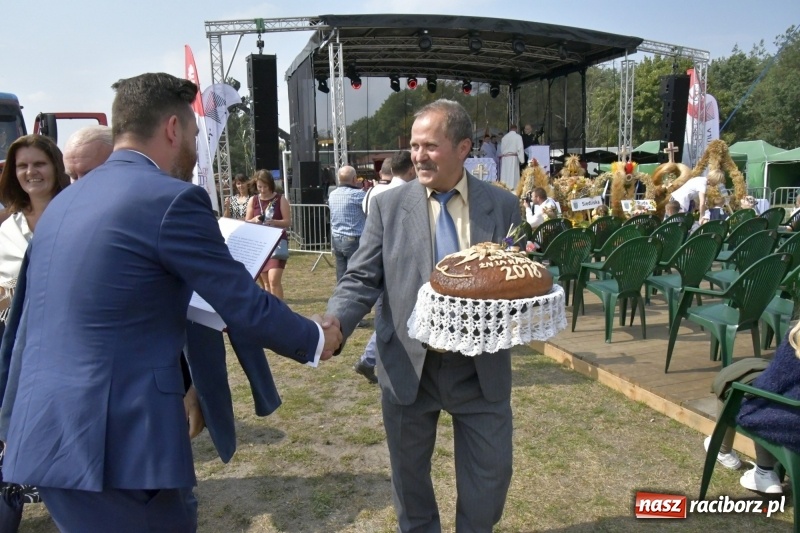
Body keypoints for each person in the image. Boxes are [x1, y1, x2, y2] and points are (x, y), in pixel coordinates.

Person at [0, 72, 341, 532]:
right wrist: (317, 338)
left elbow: (22, 325)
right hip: (116, 447)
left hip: (45, 434)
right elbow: (243, 303)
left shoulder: (62, 204)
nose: (194, 148)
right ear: (172, 128)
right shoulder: (172, 199)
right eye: (195, 134)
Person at [327, 99, 520, 532]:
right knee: (410, 482)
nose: (418, 156)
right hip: (409, 366)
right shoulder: (388, 206)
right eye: (414, 146)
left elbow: (515, 275)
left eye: (430, 146)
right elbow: (360, 277)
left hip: (480, 370)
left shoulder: (503, 207)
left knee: (490, 479)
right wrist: (335, 321)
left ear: (464, 147)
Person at [0, 134, 70, 532]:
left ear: (55, 168)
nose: (30, 172)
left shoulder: (75, 213)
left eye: (38, 164)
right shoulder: (6, 229)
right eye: (22, 166)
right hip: (15, 348)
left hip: (63, 346)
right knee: (10, 434)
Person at [704, 322, 800, 494]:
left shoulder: (796, 335)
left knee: (732, 386)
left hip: (792, 426)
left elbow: (768, 386)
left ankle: (762, 472)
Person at [355, 152, 416, 383]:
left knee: (388, 316)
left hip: (375, 256)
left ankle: (370, 358)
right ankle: (371, 358)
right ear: (410, 169)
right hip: (394, 262)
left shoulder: (372, 192)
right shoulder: (404, 194)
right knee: (391, 318)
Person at [245, 170, 291, 299]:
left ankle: (280, 311)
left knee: (273, 280)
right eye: (260, 186)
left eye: (265, 186)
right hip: (260, 244)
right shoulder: (253, 200)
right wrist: (254, 220)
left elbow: (287, 222)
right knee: (266, 283)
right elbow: (246, 222)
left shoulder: (280, 199)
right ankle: (270, 310)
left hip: (277, 244)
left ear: (271, 184)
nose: (263, 190)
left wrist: (274, 222)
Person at [327, 165, 366, 282]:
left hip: (337, 238)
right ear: (354, 179)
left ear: (339, 179)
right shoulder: (358, 195)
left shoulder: (332, 194)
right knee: (354, 273)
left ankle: (341, 295)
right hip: (353, 239)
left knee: (341, 274)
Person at [499, 124, 525, 190]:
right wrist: (522, 160)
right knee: (513, 174)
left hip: (505, 158)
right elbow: (520, 148)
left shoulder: (504, 137)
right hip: (513, 157)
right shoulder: (518, 137)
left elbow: (501, 150)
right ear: (516, 129)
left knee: (506, 173)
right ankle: (513, 188)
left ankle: (504, 187)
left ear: (510, 129)